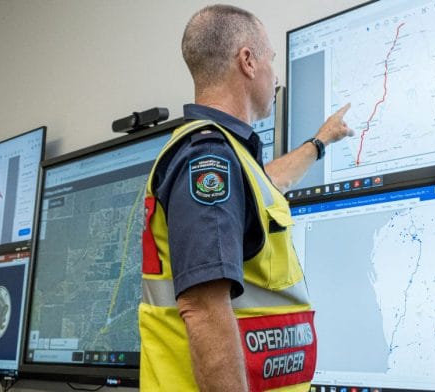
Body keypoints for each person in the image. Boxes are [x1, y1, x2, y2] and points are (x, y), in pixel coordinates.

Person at [138, 4, 353, 391]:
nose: (275, 73)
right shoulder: (208, 158)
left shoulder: (224, 156)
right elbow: (204, 310)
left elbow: (264, 187)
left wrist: (320, 143)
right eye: (271, 58)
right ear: (248, 61)